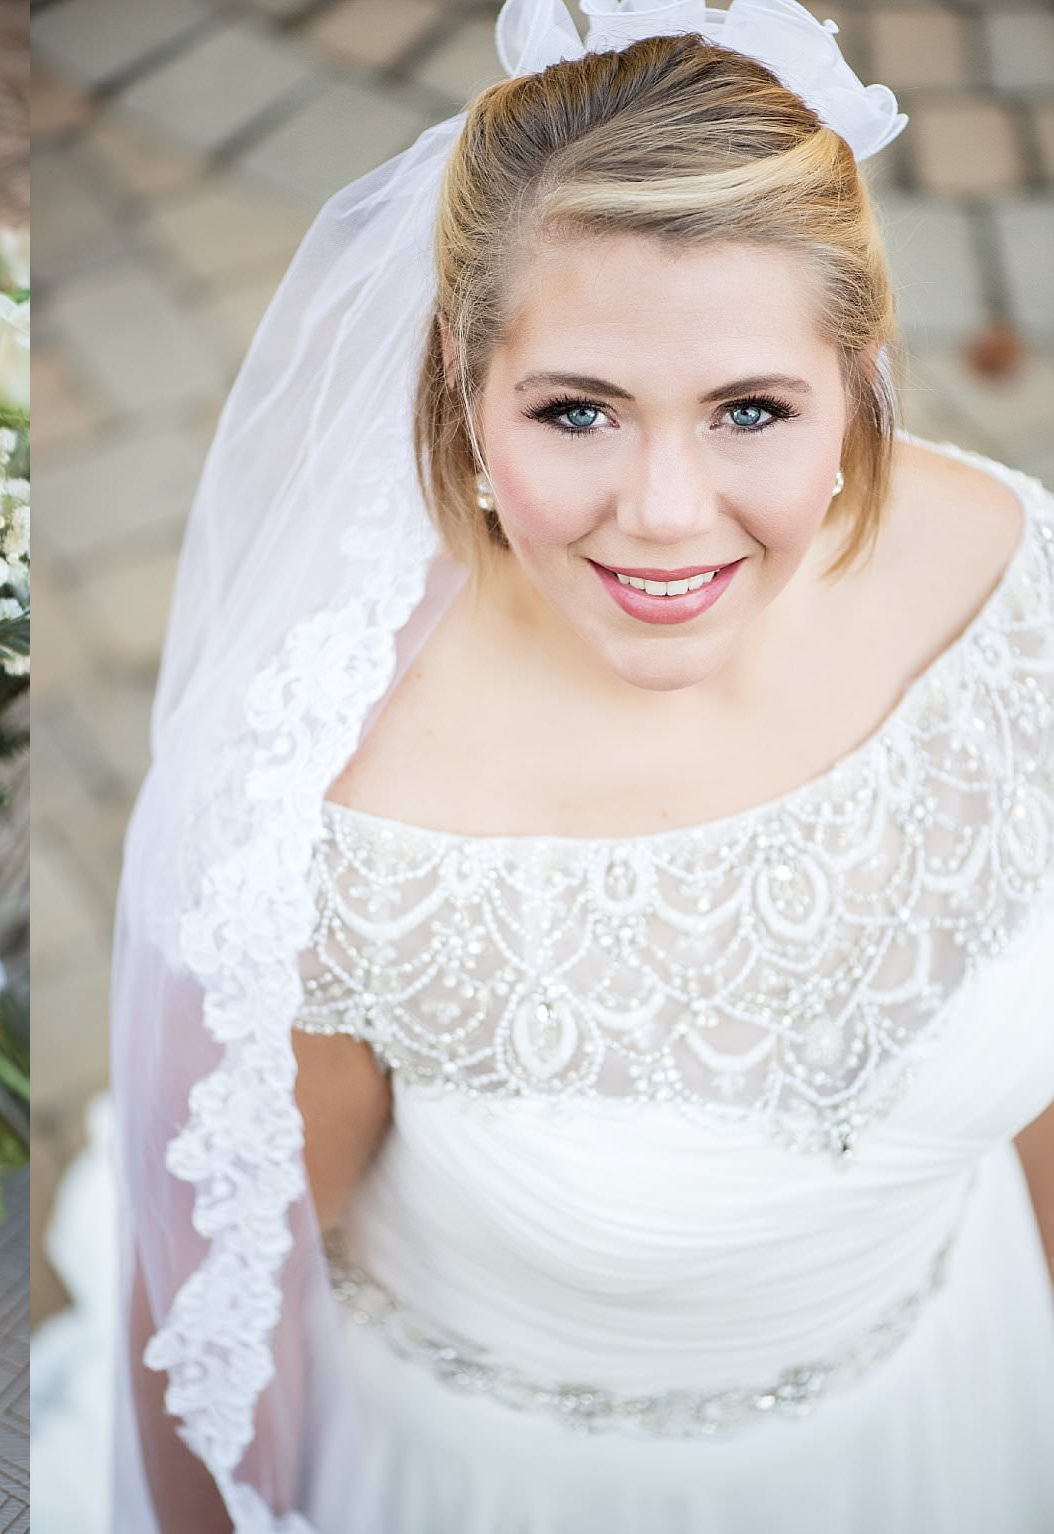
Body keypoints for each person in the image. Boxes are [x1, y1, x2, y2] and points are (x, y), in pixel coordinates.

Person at [103, 1, 1054, 1530]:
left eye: (750, 408)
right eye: (578, 412)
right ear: (465, 396)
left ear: (857, 381)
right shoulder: (329, 829)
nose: (667, 513)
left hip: (963, 1408)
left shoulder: (1012, 585)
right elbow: (221, 1347)